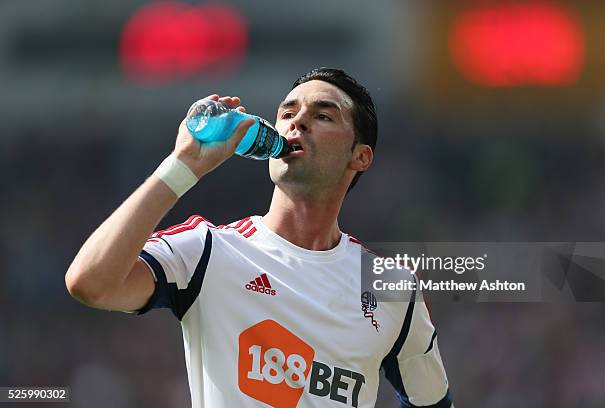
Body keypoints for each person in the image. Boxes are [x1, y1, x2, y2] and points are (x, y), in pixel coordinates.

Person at [66, 68, 453, 408]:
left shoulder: (391, 286)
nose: (296, 122)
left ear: (360, 156)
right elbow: (90, 283)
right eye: (287, 113)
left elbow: (432, 401)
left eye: (322, 115)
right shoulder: (207, 250)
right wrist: (182, 166)